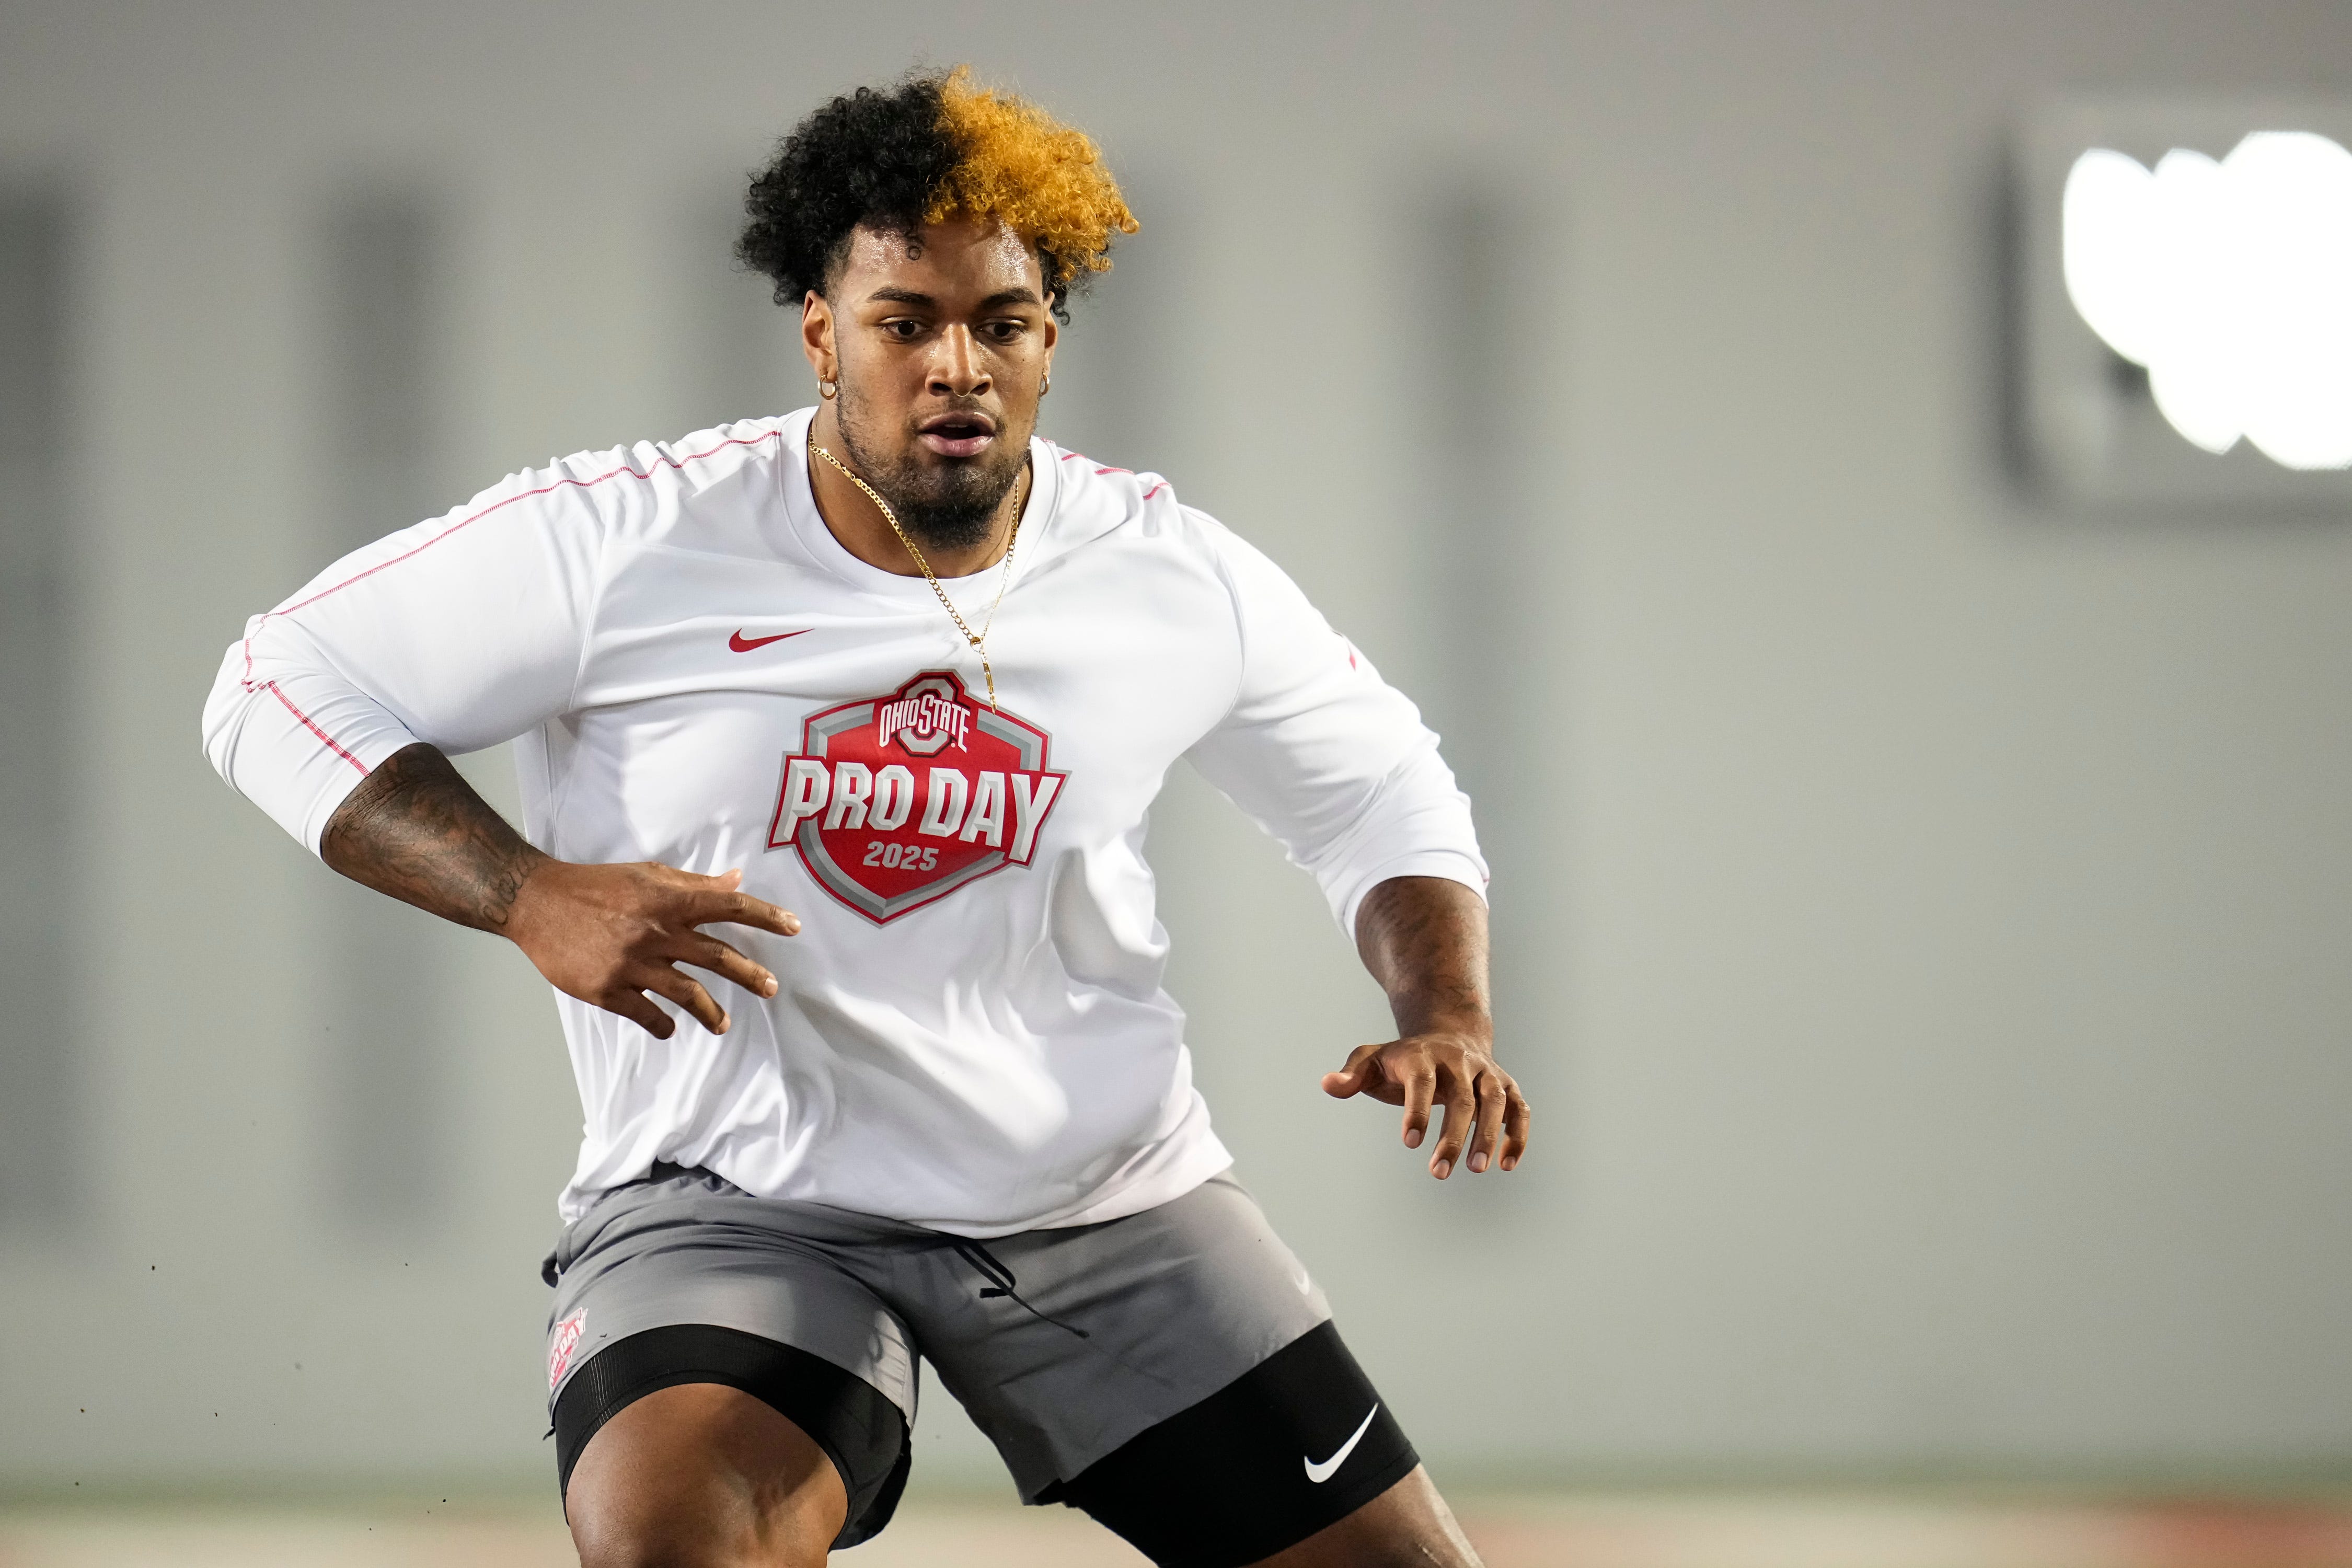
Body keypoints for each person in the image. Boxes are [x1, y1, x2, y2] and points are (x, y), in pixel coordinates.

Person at [202, 66, 1530, 1568]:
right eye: (905, 324)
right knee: (669, 1543)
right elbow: (274, 681)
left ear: (1051, 340)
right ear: (824, 332)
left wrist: (1449, 1013)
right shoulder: (626, 539)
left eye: (1002, 323)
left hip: (1103, 1199)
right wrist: (524, 891)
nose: (954, 364)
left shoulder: (1170, 573)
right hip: (740, 1206)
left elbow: (1382, 791)